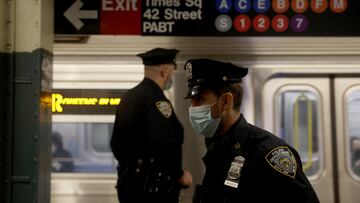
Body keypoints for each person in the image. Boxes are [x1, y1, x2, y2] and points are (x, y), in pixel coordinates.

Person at [183, 58, 320, 203]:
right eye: (192, 101)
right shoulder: (217, 149)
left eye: (199, 99)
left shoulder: (267, 153)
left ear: (225, 101)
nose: (193, 108)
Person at [111, 48, 192, 203]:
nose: (171, 76)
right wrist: (179, 175)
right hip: (154, 190)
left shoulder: (129, 97)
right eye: (172, 71)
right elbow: (164, 144)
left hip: (128, 185)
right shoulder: (157, 101)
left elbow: (116, 143)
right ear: (165, 71)